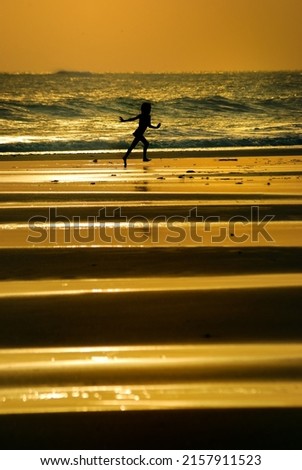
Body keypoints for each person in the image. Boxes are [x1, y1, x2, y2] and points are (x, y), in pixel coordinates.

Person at [119, 102, 161, 168]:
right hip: (138, 133)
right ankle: (143, 158)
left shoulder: (147, 116)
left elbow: (148, 125)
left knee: (133, 146)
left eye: (150, 109)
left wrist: (156, 127)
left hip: (139, 133)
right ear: (144, 109)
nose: (150, 110)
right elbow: (133, 119)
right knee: (146, 144)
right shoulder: (142, 115)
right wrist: (124, 120)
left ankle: (125, 157)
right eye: (149, 109)